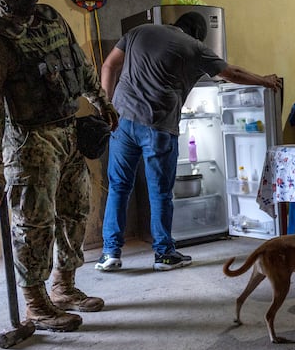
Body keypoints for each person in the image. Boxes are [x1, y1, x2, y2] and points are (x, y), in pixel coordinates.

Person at [0, 0, 119, 332]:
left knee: (77, 212)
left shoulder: (50, 18)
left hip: (66, 132)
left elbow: (78, 66)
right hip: (28, 142)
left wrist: (102, 103)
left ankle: (64, 286)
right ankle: (36, 303)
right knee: (34, 224)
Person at [96, 14, 281, 272]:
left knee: (118, 186)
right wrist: (265, 81)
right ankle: (164, 254)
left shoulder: (139, 31)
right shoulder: (194, 47)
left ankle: (110, 254)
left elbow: (108, 66)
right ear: (196, 33)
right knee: (159, 192)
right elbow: (232, 73)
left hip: (122, 121)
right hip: (158, 126)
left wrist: (107, 107)